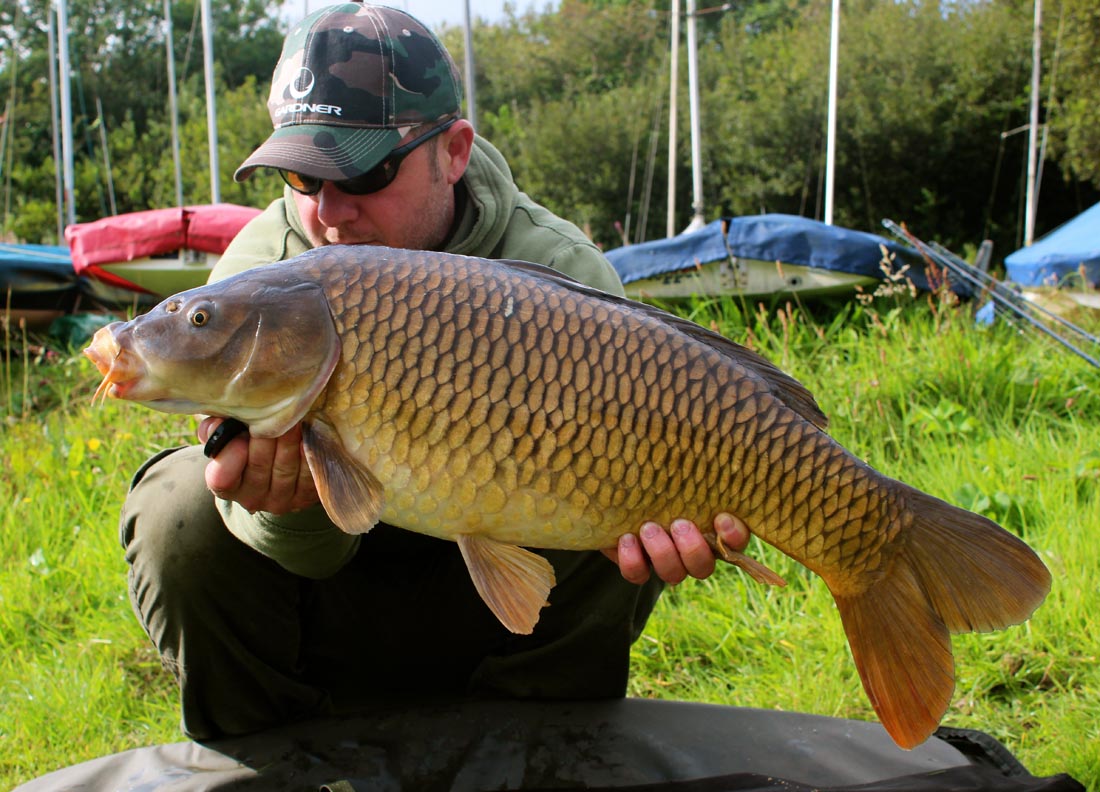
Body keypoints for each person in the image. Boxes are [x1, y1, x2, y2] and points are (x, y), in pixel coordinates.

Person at [120, 0, 751, 741]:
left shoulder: (557, 265)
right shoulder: (259, 278)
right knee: (180, 509)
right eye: (300, 177)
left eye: (363, 173)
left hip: (505, 598)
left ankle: (540, 750)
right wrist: (288, 508)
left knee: (621, 490)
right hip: (332, 598)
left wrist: (685, 507)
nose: (329, 214)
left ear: (453, 151)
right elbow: (291, 546)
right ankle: (277, 757)